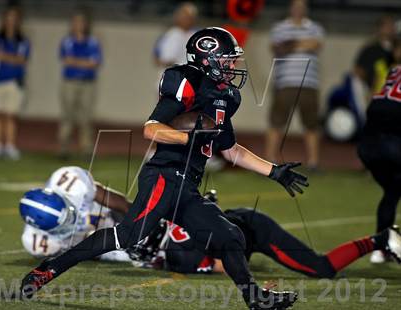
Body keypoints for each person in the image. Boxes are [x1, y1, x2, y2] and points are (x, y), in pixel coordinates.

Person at [20, 27, 309, 309]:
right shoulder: (184, 80)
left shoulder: (226, 97)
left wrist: (274, 171)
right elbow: (151, 129)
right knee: (129, 236)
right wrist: (188, 137)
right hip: (165, 174)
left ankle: (254, 297)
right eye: (227, 59)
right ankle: (47, 270)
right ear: (207, 58)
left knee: (231, 236)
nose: (233, 65)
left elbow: (230, 150)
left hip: (187, 185)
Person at [132, 190, 401, 277]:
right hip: (242, 220)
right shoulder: (173, 213)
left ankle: (380, 240)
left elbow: (226, 266)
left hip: (254, 233)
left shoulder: (179, 254)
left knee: (322, 268)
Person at [19, 166, 131, 262]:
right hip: (82, 240)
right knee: (124, 255)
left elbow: (113, 200)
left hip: (104, 214)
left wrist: (137, 214)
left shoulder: (71, 184)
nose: (70, 219)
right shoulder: (36, 241)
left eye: (68, 214)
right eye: (64, 222)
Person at [265, 0, 324, 170]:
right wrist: (302, 44)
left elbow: (316, 45)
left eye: (302, 6)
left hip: (309, 82)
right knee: (276, 122)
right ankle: (270, 160)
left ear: (306, 9)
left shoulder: (315, 27)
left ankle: (313, 162)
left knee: (312, 124)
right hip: (285, 82)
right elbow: (277, 48)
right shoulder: (279, 27)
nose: (298, 9)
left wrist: (290, 44)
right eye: (296, 6)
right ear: (291, 8)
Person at [358, 37, 401, 264]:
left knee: (393, 191)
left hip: (367, 146)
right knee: (393, 191)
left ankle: (381, 249)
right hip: (390, 142)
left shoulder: (393, 71)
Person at [0, 6, 30, 160]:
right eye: (8, 18)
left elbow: (21, 60)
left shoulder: (22, 41)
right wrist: (11, 58)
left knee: (10, 115)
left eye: (14, 18)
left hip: (13, 82)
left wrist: (4, 57)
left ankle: (10, 146)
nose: (11, 22)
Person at [58, 9, 102, 159]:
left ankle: (86, 148)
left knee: (86, 117)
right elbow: (66, 60)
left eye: (81, 22)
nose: (79, 25)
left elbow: (94, 63)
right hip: (70, 82)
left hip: (88, 83)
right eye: (76, 22)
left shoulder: (93, 42)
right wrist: (85, 63)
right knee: (67, 115)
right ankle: (64, 147)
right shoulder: (67, 41)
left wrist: (77, 62)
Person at [354, 15, 395, 98]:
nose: (391, 29)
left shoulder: (396, 49)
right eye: (387, 26)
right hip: (374, 93)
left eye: (392, 26)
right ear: (379, 28)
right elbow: (359, 71)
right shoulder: (370, 50)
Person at [153, 2, 198, 68]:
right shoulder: (168, 34)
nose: (185, 20)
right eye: (183, 16)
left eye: (188, 17)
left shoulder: (197, 35)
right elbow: (156, 55)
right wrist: (166, 62)